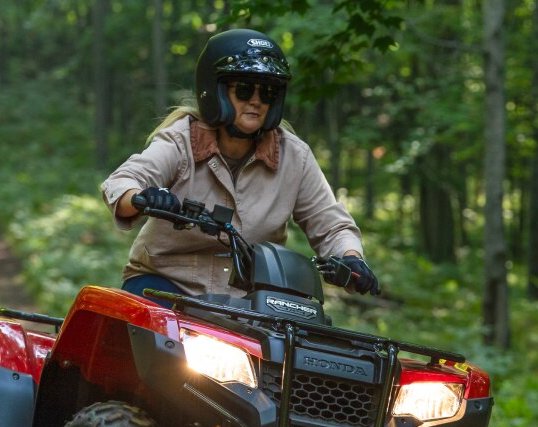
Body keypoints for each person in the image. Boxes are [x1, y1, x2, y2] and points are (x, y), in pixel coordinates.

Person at [101, 28, 380, 301]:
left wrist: (351, 259)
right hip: (165, 285)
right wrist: (142, 198)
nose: (257, 101)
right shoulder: (181, 141)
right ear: (214, 90)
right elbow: (123, 181)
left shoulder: (295, 156)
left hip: (248, 298)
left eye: (268, 93)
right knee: (136, 334)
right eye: (245, 90)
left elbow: (331, 224)